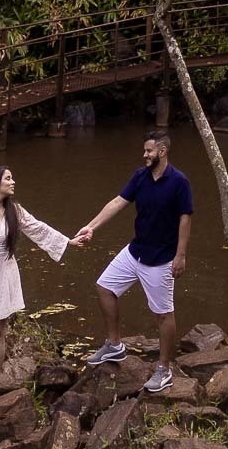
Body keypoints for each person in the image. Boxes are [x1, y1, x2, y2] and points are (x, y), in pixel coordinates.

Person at [75, 130, 193, 393]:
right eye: (144, 150)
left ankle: (164, 369)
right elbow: (118, 202)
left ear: (162, 151)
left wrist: (181, 255)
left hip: (161, 259)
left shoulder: (179, 182)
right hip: (135, 251)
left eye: (149, 151)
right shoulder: (140, 176)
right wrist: (91, 226)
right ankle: (115, 345)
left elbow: (185, 218)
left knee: (163, 314)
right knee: (104, 287)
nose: (145, 155)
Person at [0, 165, 76, 406]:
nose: (13, 182)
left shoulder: (15, 211)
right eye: (8, 178)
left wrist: (67, 242)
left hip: (1, 275)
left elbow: (38, 228)